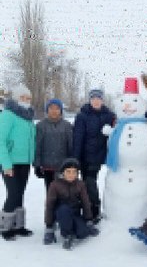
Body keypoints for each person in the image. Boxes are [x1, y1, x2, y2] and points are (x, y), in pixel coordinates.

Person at [73, 89, 115, 223]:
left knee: (90, 182)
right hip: (84, 156)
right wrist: (75, 159)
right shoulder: (82, 116)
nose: (96, 101)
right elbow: (77, 138)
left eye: (98, 98)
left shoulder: (108, 115)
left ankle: (94, 210)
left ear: (102, 100)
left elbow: (118, 124)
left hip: (98, 155)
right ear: (90, 100)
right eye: (93, 99)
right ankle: (88, 210)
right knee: (86, 183)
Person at [0, 84, 35, 241]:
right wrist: (6, 164)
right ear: (15, 98)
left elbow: (31, 141)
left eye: (28, 98)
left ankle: (18, 225)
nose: (26, 100)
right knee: (13, 193)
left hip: (24, 162)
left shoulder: (28, 117)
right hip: (10, 163)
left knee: (20, 193)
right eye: (22, 97)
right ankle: (5, 227)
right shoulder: (8, 114)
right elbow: (1, 141)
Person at [44, 158, 99, 250]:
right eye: (68, 172)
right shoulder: (55, 185)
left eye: (74, 172)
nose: (71, 175)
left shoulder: (80, 184)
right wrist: (49, 227)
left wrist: (89, 220)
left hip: (74, 212)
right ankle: (67, 235)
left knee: (83, 233)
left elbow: (86, 202)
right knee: (64, 210)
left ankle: (74, 229)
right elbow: (49, 206)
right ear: (63, 172)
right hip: (61, 212)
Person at [34, 98, 73, 191]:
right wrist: (37, 165)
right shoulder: (40, 125)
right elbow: (37, 146)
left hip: (63, 166)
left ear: (61, 110)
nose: (54, 111)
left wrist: (72, 163)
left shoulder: (67, 125)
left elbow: (71, 145)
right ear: (47, 110)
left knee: (64, 193)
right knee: (51, 192)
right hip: (48, 166)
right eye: (51, 108)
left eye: (57, 108)